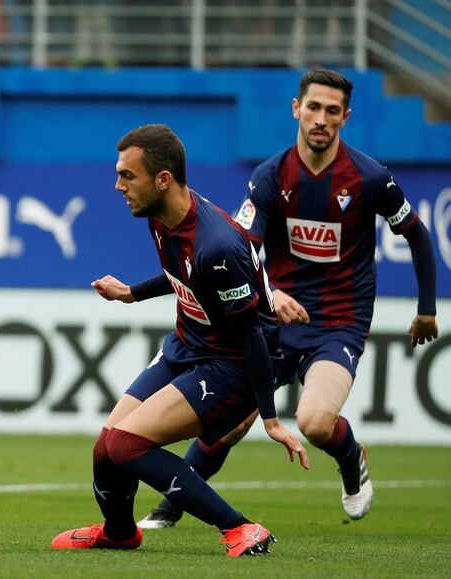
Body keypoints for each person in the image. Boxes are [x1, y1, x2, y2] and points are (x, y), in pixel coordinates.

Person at [138, 68, 439, 530]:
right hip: (276, 319)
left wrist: (426, 310)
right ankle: (170, 507)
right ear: (297, 109)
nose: (321, 118)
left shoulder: (370, 177)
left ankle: (349, 454)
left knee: (315, 422)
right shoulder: (271, 176)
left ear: (345, 117)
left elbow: (416, 235)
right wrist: (272, 294)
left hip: (339, 320)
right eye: (313, 107)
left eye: (332, 111)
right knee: (230, 421)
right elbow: (244, 246)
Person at [50, 124, 308, 557]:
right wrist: (133, 292)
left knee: (126, 444)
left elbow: (251, 337)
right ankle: (119, 534)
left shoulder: (218, 245)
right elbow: (183, 273)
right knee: (106, 448)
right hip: (188, 346)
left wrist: (269, 418)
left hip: (232, 367)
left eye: (127, 176)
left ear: (163, 178)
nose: (118, 186)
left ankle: (241, 528)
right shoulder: (160, 215)